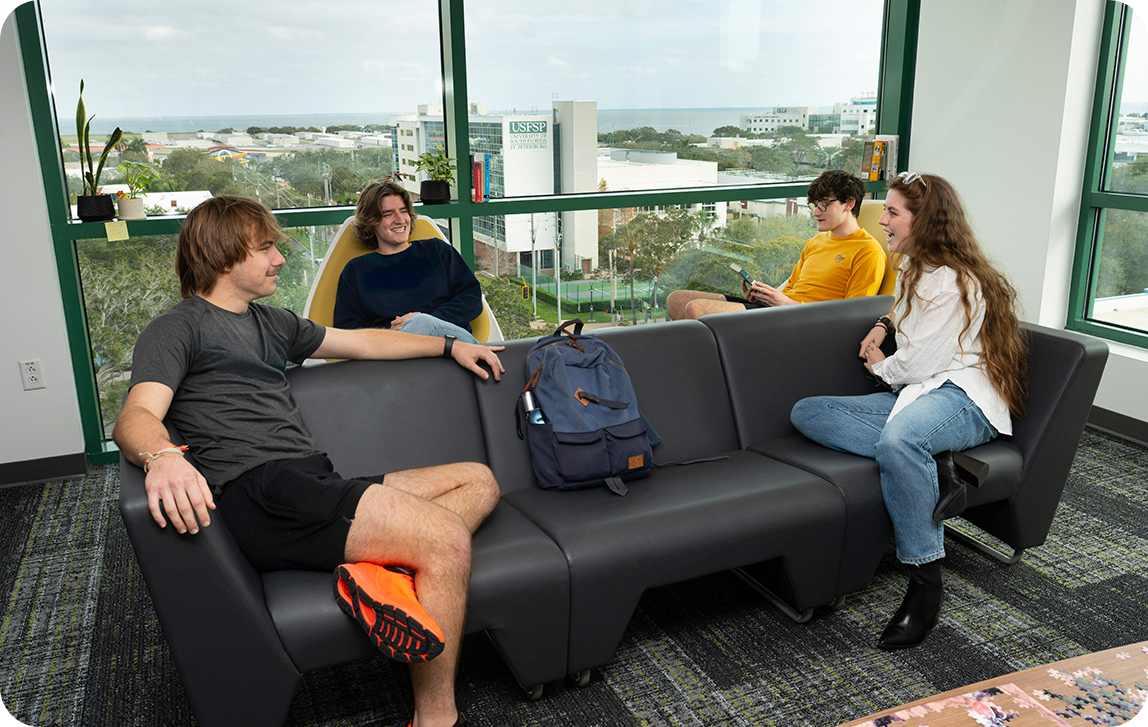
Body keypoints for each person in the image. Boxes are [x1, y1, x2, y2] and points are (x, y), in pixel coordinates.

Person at [113, 196, 504, 727]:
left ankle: (382, 574)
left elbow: (362, 343)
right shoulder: (178, 328)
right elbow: (135, 415)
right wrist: (162, 456)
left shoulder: (272, 322)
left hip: (310, 482)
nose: (279, 258)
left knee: (478, 482)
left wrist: (449, 347)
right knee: (447, 539)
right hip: (263, 492)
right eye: (265, 248)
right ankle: (436, 718)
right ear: (223, 256)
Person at [789, 172, 1028, 650]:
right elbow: (902, 311)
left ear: (925, 221)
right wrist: (882, 324)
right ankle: (936, 466)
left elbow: (919, 363)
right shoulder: (916, 266)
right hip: (918, 395)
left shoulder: (958, 282)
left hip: (963, 395)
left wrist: (879, 366)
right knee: (807, 412)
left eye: (893, 212)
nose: (883, 221)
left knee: (900, 440)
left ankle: (925, 583)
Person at [665, 169, 886, 319]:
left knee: (696, 309)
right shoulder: (816, 242)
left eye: (823, 205)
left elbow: (853, 316)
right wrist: (764, 295)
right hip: (778, 310)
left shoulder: (868, 251)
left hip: (801, 320)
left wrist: (788, 305)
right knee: (677, 300)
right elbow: (793, 287)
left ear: (849, 203)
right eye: (814, 205)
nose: (816, 213)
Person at [335, 179, 482, 344]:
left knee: (420, 322)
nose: (400, 220)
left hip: (453, 345)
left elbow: (471, 299)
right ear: (371, 221)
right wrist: (389, 333)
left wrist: (424, 320)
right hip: (394, 350)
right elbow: (348, 331)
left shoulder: (437, 250)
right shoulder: (355, 271)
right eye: (388, 214)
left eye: (403, 211)